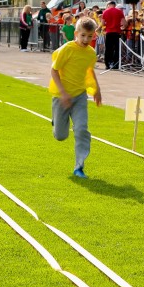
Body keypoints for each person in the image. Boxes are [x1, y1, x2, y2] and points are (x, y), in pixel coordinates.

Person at [48, 17, 102, 179]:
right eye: (83, 35)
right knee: (61, 136)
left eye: (89, 36)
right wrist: (63, 93)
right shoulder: (67, 49)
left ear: (94, 35)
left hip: (79, 96)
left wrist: (97, 89)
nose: (86, 39)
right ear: (76, 34)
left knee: (81, 129)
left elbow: (89, 71)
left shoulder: (91, 53)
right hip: (61, 96)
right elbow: (54, 70)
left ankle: (79, 167)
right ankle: (56, 121)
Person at [100, 1, 124, 69]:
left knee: (108, 49)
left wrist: (107, 24)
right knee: (117, 49)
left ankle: (107, 64)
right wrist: (121, 27)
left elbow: (102, 23)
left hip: (109, 32)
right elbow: (124, 23)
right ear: (114, 5)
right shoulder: (119, 11)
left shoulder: (105, 11)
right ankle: (116, 64)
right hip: (117, 32)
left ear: (109, 5)